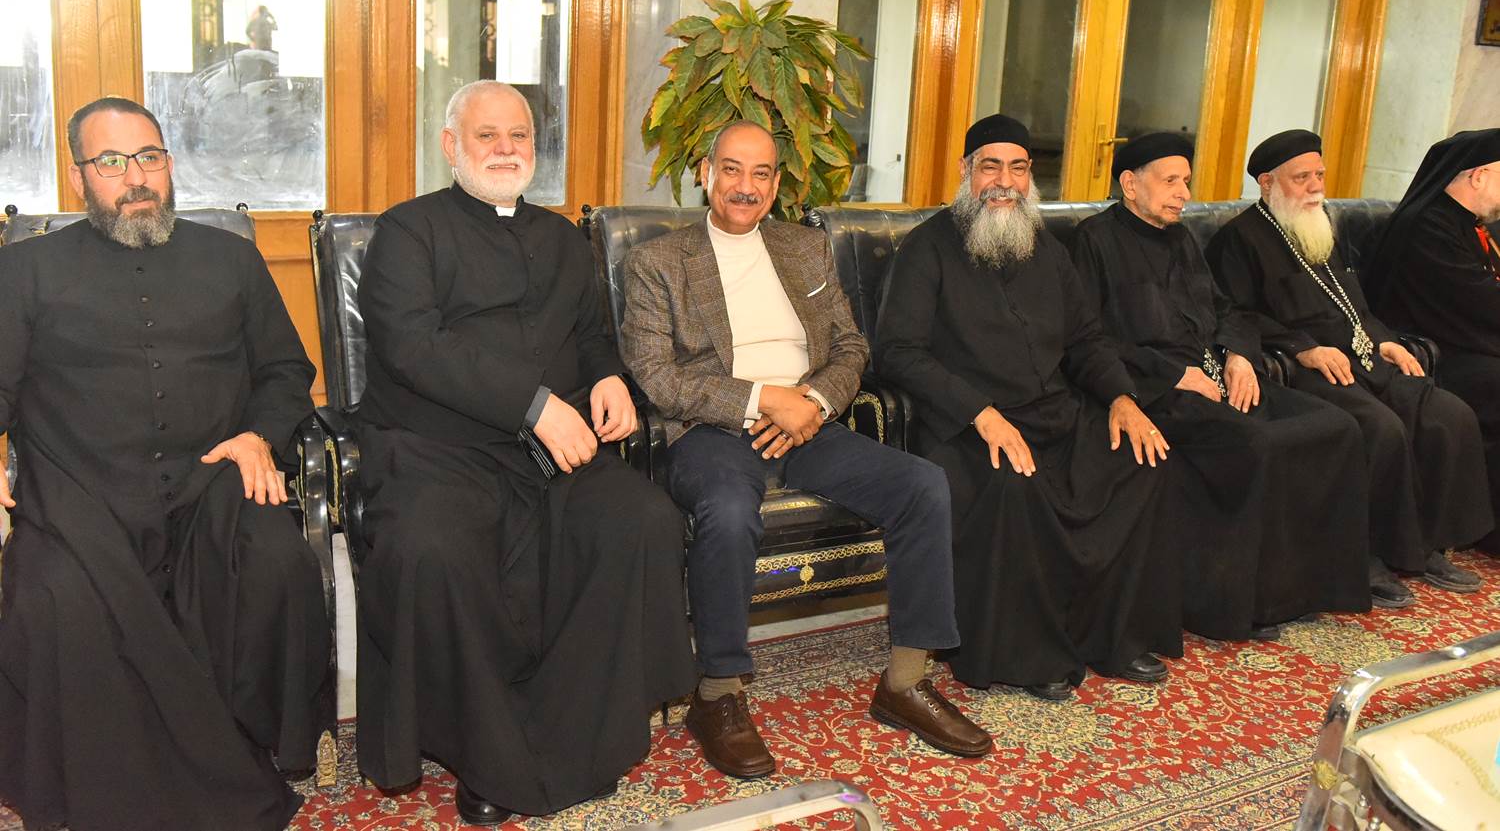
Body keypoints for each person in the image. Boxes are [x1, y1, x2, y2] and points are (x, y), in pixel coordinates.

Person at [352, 80, 695, 824]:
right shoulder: (408, 231)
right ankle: (486, 753)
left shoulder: (562, 237)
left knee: (642, 520)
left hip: (550, 448)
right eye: (488, 136)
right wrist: (534, 406)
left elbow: (591, 333)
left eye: (520, 136)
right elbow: (413, 346)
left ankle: (576, 727)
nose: (506, 150)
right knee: (433, 549)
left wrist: (607, 376)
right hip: (436, 446)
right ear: (451, 146)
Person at [619, 120, 991, 778]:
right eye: (732, 169)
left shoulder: (806, 247)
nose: (746, 186)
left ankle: (906, 681)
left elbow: (851, 346)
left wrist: (814, 403)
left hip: (809, 422)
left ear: (776, 185)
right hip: (712, 432)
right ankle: (718, 693)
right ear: (706, 173)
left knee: (921, 484)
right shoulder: (658, 261)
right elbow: (657, 377)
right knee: (728, 510)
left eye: (761, 173)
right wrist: (765, 399)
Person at [0, 97, 327, 831]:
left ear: (169, 164)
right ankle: (98, 781)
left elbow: (285, 370)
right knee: (51, 597)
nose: (135, 177)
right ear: (79, 175)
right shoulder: (23, 270)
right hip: (82, 500)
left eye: (149, 157)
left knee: (277, 562)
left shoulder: (232, 259)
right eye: (111, 162)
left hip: (213, 488)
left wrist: (259, 436)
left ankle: (263, 747)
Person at [875, 113, 1181, 703]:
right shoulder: (927, 248)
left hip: (1053, 413)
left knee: (1142, 461)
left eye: (1018, 168)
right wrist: (981, 412)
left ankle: (1109, 634)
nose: (1005, 181)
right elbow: (898, 353)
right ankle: (1028, 654)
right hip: (966, 425)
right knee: (1015, 486)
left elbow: (1087, 339)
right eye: (991, 166)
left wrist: (1122, 398)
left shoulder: (1047, 247)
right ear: (966, 171)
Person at [1070, 133, 1371, 639]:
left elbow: (1226, 308)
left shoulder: (1181, 238)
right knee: (1255, 443)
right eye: (1171, 181)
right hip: (1159, 391)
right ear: (1130, 184)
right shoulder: (1094, 241)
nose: (1184, 194)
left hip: (1219, 376)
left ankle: (1302, 587)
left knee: (1335, 426)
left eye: (1186, 182)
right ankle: (1233, 604)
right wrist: (1172, 375)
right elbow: (1088, 338)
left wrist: (1239, 356)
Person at [1205, 129, 1493, 605]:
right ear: (1267, 182)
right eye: (1302, 177)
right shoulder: (1238, 240)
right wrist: (1303, 348)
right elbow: (1236, 314)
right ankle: (1367, 556)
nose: (1316, 186)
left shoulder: (1320, 226)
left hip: (1363, 357)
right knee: (1381, 429)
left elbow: (1354, 304)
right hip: (1309, 369)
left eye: (1319, 174)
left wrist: (1386, 341)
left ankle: (1428, 544)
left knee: (1448, 414)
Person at [1364, 128, 1500, 555]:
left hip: (1471, 342)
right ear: (1478, 176)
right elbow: (1476, 303)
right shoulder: (1426, 226)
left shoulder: (1469, 224)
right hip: (1432, 354)